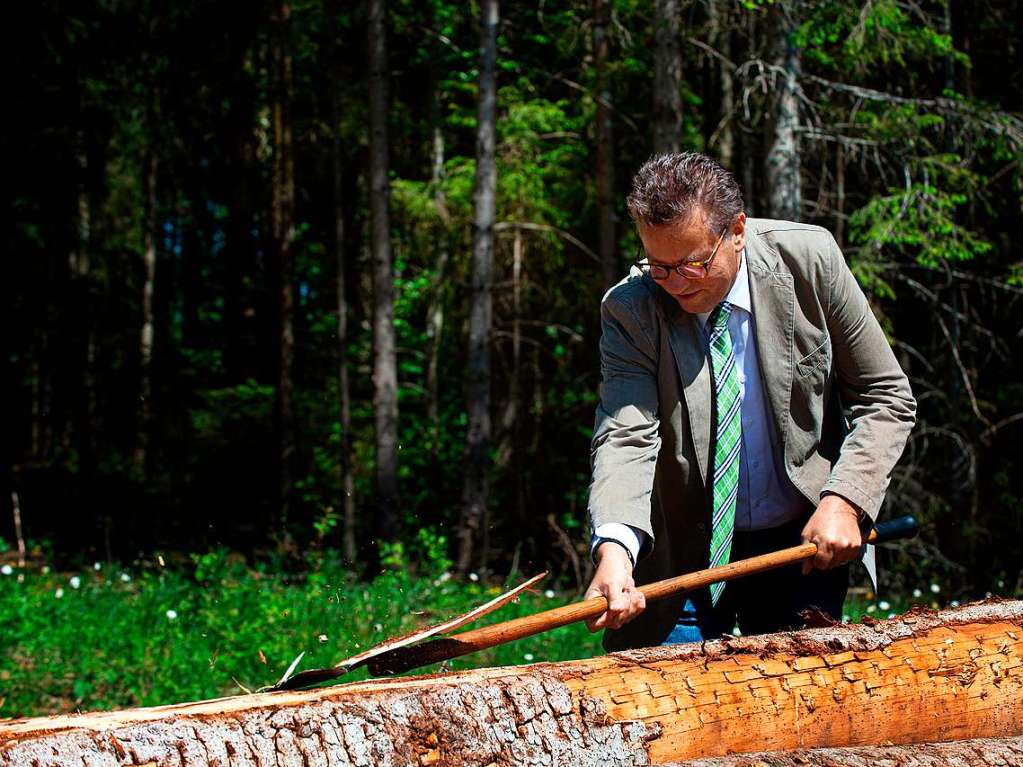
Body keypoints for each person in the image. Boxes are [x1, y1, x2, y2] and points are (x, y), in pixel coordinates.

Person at [584, 152, 916, 651]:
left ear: (737, 230)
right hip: (681, 560)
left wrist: (845, 500)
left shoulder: (810, 261)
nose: (675, 283)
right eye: (659, 265)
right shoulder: (631, 308)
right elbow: (626, 432)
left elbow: (885, 395)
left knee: (803, 715)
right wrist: (615, 547)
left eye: (693, 263)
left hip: (800, 546)